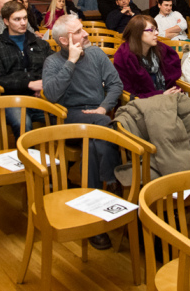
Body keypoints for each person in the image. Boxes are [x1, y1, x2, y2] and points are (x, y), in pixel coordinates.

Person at [42, 14, 123, 250]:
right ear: (64, 41)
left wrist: (103, 107)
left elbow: (116, 84)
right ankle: (113, 180)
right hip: (70, 117)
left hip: (98, 115)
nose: (86, 33)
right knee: (101, 127)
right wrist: (71, 61)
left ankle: (93, 219)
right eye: (78, 31)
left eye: (83, 29)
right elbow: (52, 95)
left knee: (94, 142)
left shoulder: (96, 54)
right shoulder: (53, 62)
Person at [0, 1, 53, 135]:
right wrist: (28, 84)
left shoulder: (40, 44)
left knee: (64, 116)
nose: (23, 23)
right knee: (22, 123)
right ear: (6, 21)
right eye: (17, 19)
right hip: (12, 99)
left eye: (25, 18)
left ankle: (54, 149)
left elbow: (53, 68)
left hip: (41, 96)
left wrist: (44, 85)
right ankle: (26, 149)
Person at [113, 15, 182, 98]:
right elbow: (129, 94)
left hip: (166, 97)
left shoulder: (161, 49)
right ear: (137, 32)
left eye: (156, 29)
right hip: (141, 103)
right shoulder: (124, 56)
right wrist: (160, 95)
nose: (156, 33)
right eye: (151, 30)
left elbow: (171, 81)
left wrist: (175, 91)